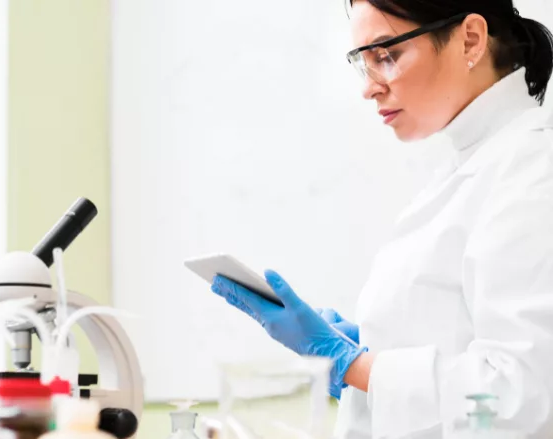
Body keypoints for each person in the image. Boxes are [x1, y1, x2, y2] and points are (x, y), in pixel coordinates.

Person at [209, 0, 553, 438]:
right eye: (362, 63)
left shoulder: (532, 171)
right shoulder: (472, 165)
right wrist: (368, 353)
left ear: (470, 39)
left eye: (386, 55)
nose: (369, 88)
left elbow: (523, 394)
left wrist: (354, 364)